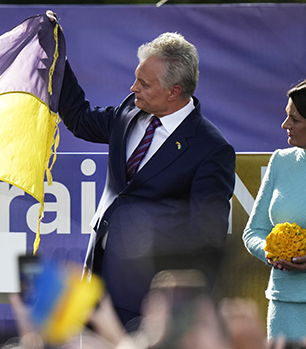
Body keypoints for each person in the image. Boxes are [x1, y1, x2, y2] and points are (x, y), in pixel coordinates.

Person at [56, 29, 236, 328]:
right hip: (97, 283)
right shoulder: (130, 111)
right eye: (137, 77)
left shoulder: (211, 149)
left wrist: (182, 312)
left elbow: (209, 236)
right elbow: (80, 119)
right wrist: (57, 59)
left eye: (144, 83)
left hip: (149, 300)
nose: (133, 87)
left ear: (174, 91)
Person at [243, 79, 306, 349]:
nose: (285, 124)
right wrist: (272, 252)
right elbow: (253, 232)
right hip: (285, 308)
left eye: (294, 119)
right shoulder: (281, 161)